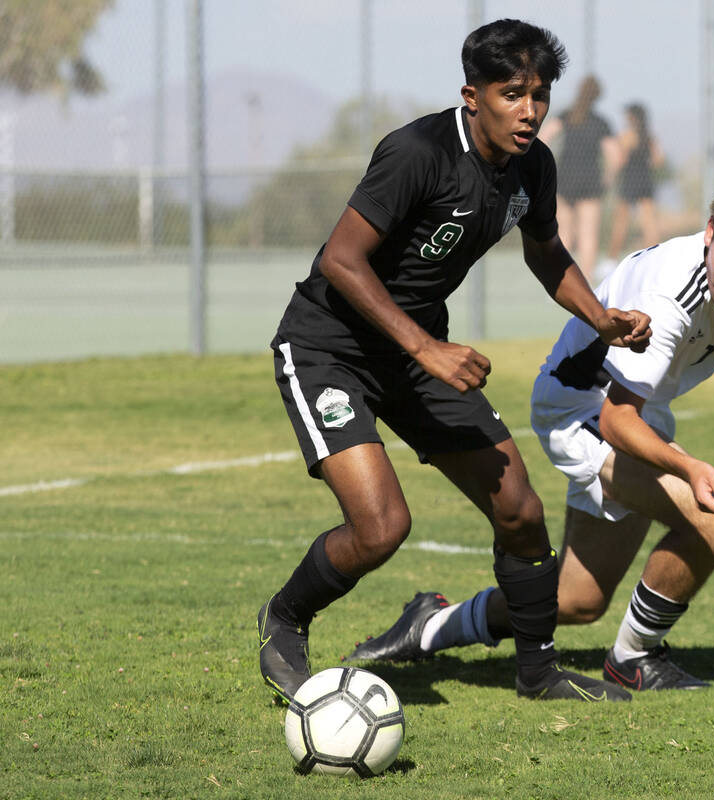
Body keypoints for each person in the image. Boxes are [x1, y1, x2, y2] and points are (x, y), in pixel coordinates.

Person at [256, 19, 652, 706]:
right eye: (511, 94)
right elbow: (340, 261)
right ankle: (284, 620)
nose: (528, 112)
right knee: (381, 528)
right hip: (330, 349)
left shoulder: (534, 164)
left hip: (418, 355)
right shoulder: (418, 152)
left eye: (540, 95)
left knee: (521, 510)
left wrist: (601, 318)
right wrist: (425, 347)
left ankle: (538, 674)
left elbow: (545, 248)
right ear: (473, 95)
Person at [347, 170, 714, 691]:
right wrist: (690, 466)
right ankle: (634, 657)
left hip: (637, 408)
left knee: (576, 600)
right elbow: (615, 420)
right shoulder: (671, 293)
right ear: (710, 230)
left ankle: (428, 626)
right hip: (580, 408)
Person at [538, 75, 615, 283]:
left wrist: (545, 166)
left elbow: (543, 137)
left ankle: (560, 282)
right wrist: (607, 177)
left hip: (565, 179)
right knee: (588, 236)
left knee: (563, 233)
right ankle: (585, 282)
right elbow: (614, 154)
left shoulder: (566, 116)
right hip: (590, 182)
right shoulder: (600, 123)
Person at [603, 102, 663, 276]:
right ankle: (653, 259)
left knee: (621, 222)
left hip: (629, 181)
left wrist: (609, 176)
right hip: (645, 180)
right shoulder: (649, 137)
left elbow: (619, 160)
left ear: (633, 117)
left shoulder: (627, 136)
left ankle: (611, 260)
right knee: (649, 222)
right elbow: (658, 161)